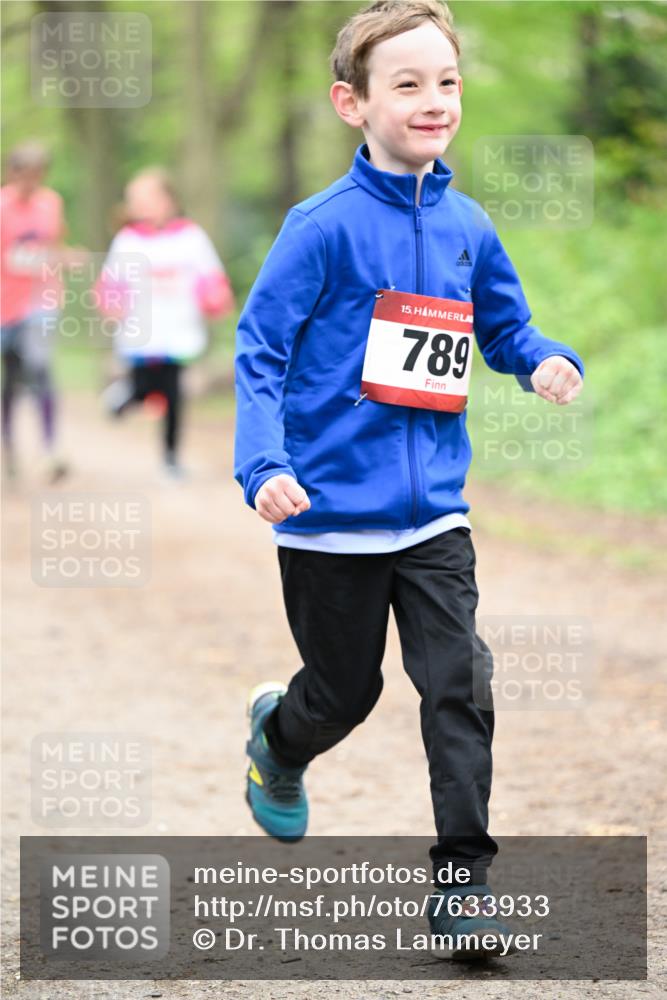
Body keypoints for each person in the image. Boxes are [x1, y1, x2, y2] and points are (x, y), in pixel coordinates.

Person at [234, 0, 584, 956]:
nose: (434, 102)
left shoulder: (467, 225)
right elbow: (261, 349)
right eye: (408, 84)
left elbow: (507, 327)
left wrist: (545, 357)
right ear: (351, 102)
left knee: (459, 687)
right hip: (327, 517)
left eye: (447, 83)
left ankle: (462, 886)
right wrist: (262, 463)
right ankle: (279, 738)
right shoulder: (321, 228)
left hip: (434, 516)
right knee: (344, 694)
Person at [97, 168, 235, 478]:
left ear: (168, 200)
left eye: (147, 199)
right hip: (141, 330)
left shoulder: (191, 237)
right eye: (135, 200)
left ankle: (171, 457)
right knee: (145, 387)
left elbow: (209, 275)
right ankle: (125, 397)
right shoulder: (128, 239)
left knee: (173, 394)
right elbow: (112, 281)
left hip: (177, 330)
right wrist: (111, 304)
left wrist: (215, 297)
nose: (141, 206)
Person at [1, 142, 81, 482]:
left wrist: (68, 257)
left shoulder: (51, 203)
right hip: (5, 305)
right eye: (26, 177)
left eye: (38, 176)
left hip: (43, 300)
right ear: (13, 173)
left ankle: (50, 450)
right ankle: (10, 452)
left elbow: (54, 246)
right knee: (12, 379)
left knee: (40, 365)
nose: (32, 184)